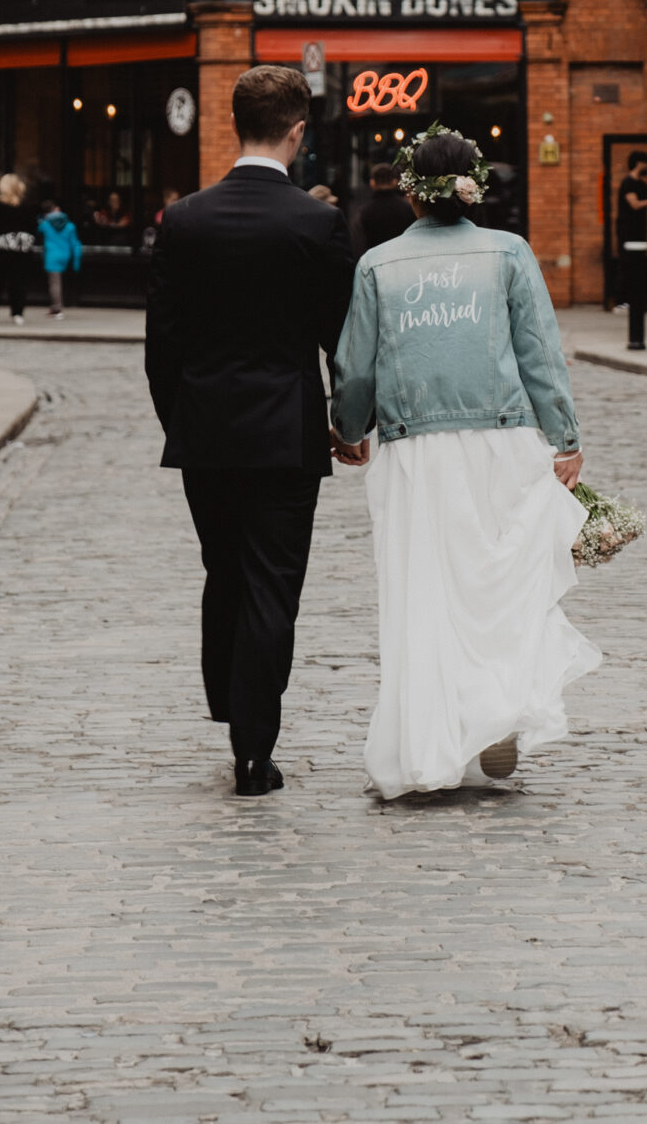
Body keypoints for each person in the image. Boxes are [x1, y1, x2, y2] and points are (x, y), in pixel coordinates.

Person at [332, 123, 601, 801]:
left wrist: (346, 427)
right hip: (501, 440)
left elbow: (355, 367)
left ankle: (430, 743)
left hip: (413, 447)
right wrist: (563, 436)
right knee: (496, 586)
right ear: (471, 188)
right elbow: (540, 352)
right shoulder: (508, 253)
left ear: (412, 193)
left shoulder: (379, 265)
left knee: (423, 593)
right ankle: (499, 709)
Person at [145, 65, 357, 798]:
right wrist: (346, 422)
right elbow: (344, 342)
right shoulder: (317, 223)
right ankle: (251, 749)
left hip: (205, 432)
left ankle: (227, 703)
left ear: (235, 125)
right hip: (285, 434)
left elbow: (161, 347)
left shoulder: (184, 220)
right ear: (297, 131)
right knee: (272, 585)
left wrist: (184, 420)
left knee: (225, 571)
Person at [0, 174, 35, 325]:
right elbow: (32, 227)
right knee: (17, 283)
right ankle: (17, 313)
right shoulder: (25, 204)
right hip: (19, 252)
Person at [614, 150, 647, 309]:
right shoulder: (627, 183)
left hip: (639, 231)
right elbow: (635, 204)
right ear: (638, 163)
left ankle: (635, 300)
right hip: (627, 231)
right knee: (626, 264)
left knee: (638, 265)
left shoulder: (642, 184)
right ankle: (622, 302)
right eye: (646, 163)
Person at [354, 160, 414, 255]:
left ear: (372, 183)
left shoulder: (364, 212)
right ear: (394, 182)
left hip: (375, 262)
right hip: (402, 260)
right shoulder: (408, 208)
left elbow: (359, 244)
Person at [38, 198, 82, 320]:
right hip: (65, 255)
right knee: (60, 281)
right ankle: (56, 306)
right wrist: (76, 261)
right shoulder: (69, 226)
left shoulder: (45, 225)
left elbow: (38, 230)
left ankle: (57, 308)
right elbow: (75, 244)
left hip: (52, 255)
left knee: (54, 283)